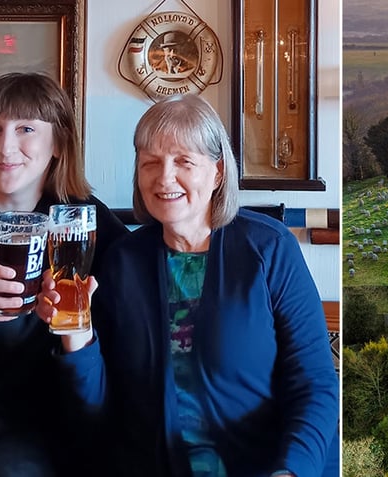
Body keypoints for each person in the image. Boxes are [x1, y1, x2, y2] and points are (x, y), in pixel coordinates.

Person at [39, 94, 339, 476]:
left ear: (217, 173)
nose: (164, 178)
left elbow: (315, 384)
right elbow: (95, 408)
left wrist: (291, 471)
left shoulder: (269, 248)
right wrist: (76, 333)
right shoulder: (122, 262)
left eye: (183, 161)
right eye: (150, 163)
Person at [0, 72, 128, 476]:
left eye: (26, 128)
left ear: (59, 142)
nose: (4, 146)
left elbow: (146, 271)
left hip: (17, 425)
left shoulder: (80, 220)